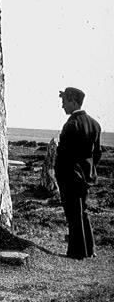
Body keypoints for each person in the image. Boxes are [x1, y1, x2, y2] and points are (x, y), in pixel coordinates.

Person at [55, 86, 101, 260]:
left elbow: (63, 155)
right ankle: (90, 249)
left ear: (73, 101)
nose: (62, 106)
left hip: (70, 176)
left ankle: (77, 252)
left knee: (73, 214)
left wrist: (59, 174)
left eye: (64, 102)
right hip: (86, 177)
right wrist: (89, 171)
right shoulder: (95, 124)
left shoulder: (71, 124)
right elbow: (97, 154)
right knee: (83, 211)